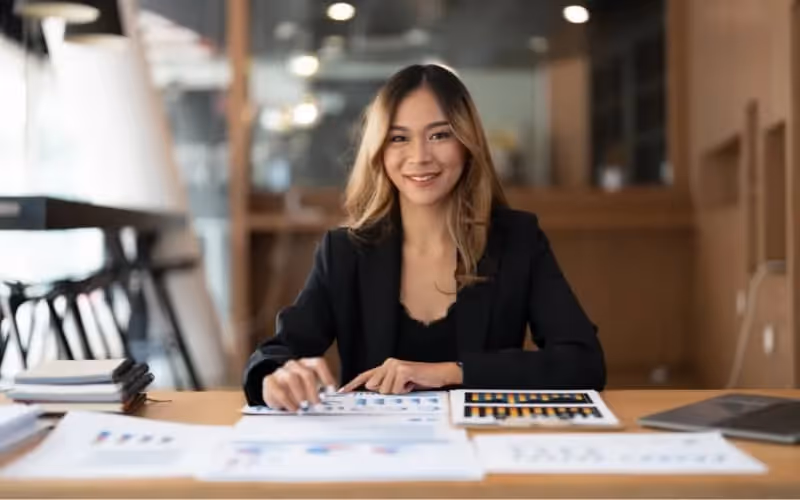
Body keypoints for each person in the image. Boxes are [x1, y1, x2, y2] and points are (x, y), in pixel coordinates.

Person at [243, 64, 605, 410]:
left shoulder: (517, 239)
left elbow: (583, 362)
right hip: (378, 453)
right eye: (399, 138)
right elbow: (278, 353)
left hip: (484, 449)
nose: (419, 156)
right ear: (379, 151)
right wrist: (274, 378)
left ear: (467, 143)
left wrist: (451, 373)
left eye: (439, 135)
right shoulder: (345, 252)